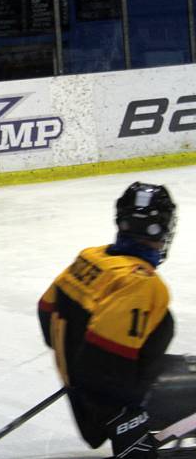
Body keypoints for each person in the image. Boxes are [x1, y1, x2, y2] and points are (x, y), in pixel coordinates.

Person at [37, 182, 177, 458]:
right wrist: (121, 413)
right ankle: (128, 422)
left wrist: (73, 370)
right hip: (102, 403)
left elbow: (46, 310)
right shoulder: (141, 283)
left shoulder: (91, 257)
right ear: (160, 229)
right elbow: (105, 357)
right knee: (163, 321)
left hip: (79, 385)